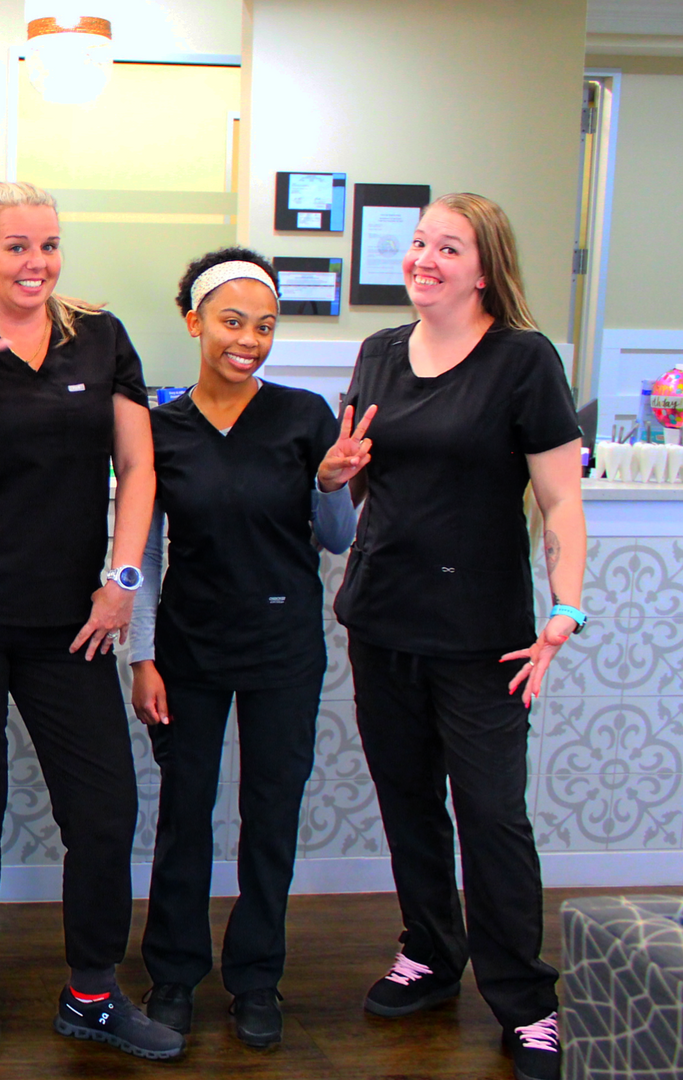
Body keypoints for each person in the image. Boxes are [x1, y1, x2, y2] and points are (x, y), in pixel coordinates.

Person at [0, 181, 180, 1059]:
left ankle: (91, 992)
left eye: (48, 245)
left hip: (71, 618)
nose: (36, 263)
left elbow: (139, 468)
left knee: (103, 809)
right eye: (16, 247)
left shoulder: (101, 337)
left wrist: (122, 577)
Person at [336, 193, 584, 1080]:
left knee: (491, 817)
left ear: (485, 268)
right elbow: (356, 488)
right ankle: (433, 954)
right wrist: (336, 474)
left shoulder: (523, 361)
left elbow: (560, 501)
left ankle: (524, 1001)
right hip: (382, 619)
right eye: (418, 243)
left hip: (485, 637)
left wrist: (567, 607)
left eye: (449, 246)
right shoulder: (377, 354)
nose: (425, 259)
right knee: (407, 804)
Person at [125, 248, 371, 1048]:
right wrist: (143, 655)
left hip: (283, 649)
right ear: (194, 323)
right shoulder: (159, 429)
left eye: (264, 326)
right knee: (184, 817)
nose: (250, 341)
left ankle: (257, 977)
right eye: (233, 323)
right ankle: (173, 975)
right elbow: (145, 554)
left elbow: (335, 539)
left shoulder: (305, 417)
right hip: (188, 652)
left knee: (272, 815)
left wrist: (332, 483)